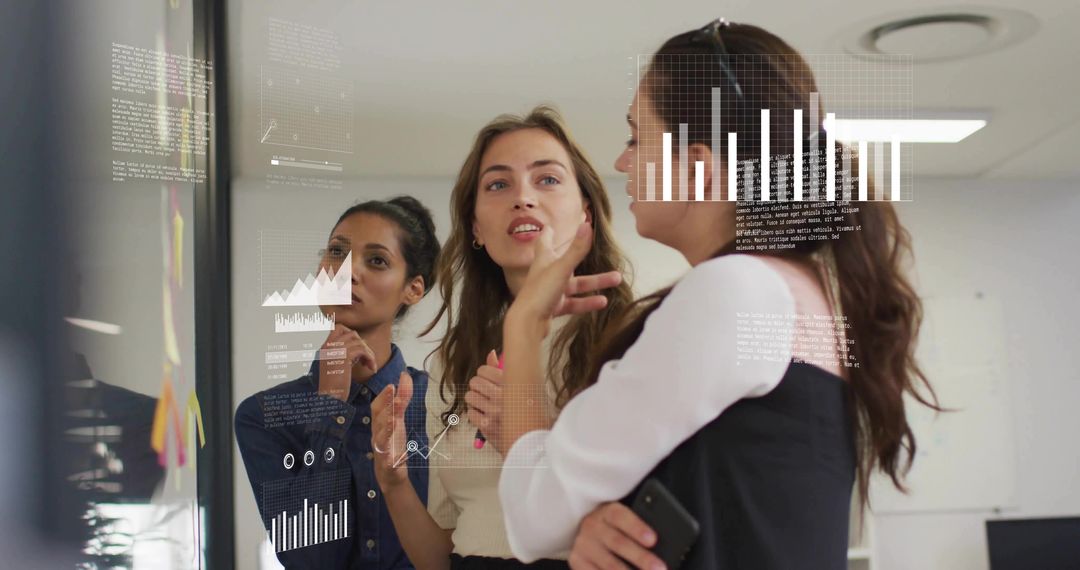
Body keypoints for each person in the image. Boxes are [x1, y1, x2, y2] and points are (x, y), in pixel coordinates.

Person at [496, 20, 940, 570]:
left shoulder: (738, 290)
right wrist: (591, 523)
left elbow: (532, 516)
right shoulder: (798, 289)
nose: (621, 162)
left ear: (700, 167)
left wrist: (523, 323)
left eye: (637, 138)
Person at [371, 106, 634, 570]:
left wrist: (525, 438)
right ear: (475, 227)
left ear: (586, 213)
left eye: (547, 179)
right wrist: (393, 482)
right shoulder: (451, 364)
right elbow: (441, 556)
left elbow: (658, 517)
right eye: (498, 184)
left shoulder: (631, 339)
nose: (523, 198)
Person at [236, 196, 441, 569]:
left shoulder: (441, 405)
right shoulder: (263, 415)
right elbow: (309, 560)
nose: (347, 272)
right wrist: (329, 405)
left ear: (413, 289)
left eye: (376, 260)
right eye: (336, 252)